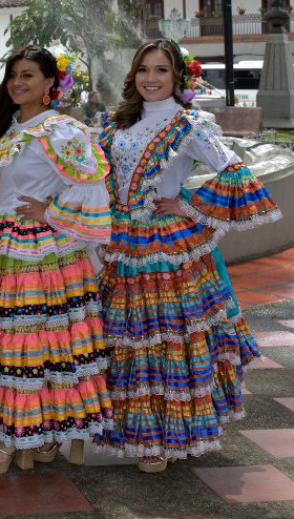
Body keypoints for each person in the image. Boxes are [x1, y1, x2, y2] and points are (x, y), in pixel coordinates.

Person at [93, 39, 281, 472]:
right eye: (144, 69)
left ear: (177, 76)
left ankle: (162, 437)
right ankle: (128, 430)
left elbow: (236, 171)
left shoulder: (189, 124)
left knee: (164, 339)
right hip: (118, 241)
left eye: (161, 70)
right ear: (133, 75)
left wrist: (188, 205)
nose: (151, 79)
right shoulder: (115, 122)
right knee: (124, 338)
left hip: (163, 248)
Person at [0, 45, 114, 474]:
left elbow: (91, 187)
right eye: (13, 76)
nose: (17, 83)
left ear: (49, 84)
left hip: (39, 250)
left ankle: (29, 434)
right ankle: (25, 431)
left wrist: (51, 213)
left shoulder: (61, 131)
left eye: (27, 75)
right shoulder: (3, 131)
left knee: (36, 346)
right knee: (3, 347)